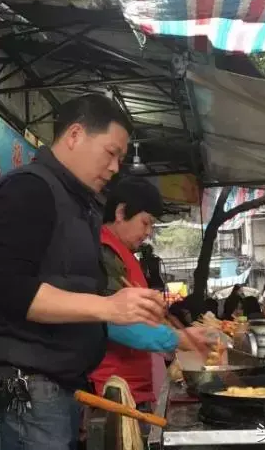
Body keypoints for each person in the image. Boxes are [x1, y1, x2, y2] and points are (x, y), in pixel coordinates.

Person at [0, 94, 167, 450]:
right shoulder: (30, 189)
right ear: (75, 135)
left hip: (57, 387)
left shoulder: (76, 202)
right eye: (111, 152)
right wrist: (108, 307)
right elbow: (11, 291)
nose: (115, 166)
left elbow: (69, 290)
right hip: (25, 391)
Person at [90, 177, 209, 429]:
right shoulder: (104, 252)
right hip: (112, 391)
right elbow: (114, 322)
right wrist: (177, 338)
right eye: (145, 222)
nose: (147, 232)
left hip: (133, 390)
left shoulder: (124, 255)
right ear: (121, 212)